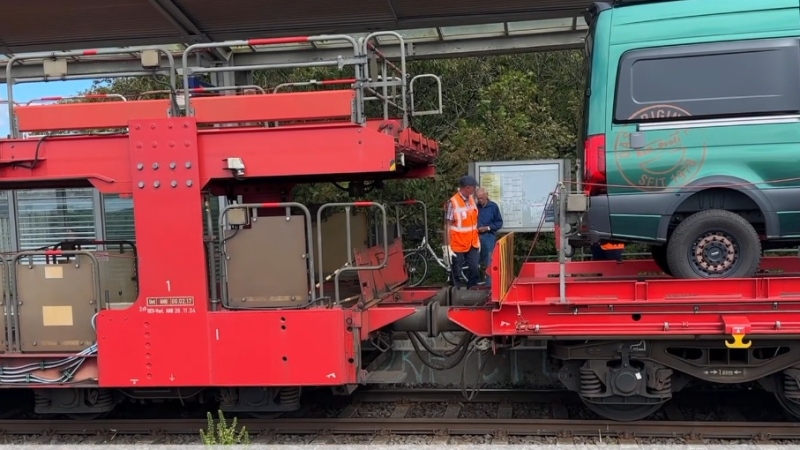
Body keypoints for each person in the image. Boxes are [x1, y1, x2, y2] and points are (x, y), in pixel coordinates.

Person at [443, 175, 480, 288]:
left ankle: (471, 288)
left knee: (474, 267)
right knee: (456, 271)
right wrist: (447, 246)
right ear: (467, 188)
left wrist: (478, 241)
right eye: (474, 187)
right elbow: (447, 225)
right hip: (458, 244)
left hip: (472, 243)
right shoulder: (453, 202)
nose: (475, 190)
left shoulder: (471, 200)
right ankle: (456, 291)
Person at [475, 187, 503, 287]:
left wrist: (487, 228)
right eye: (478, 198)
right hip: (475, 236)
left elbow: (499, 223)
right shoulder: (475, 206)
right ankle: (474, 284)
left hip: (488, 236)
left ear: (486, 196)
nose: (480, 200)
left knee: (489, 262)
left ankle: (489, 286)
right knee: (474, 260)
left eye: (481, 198)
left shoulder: (493, 206)